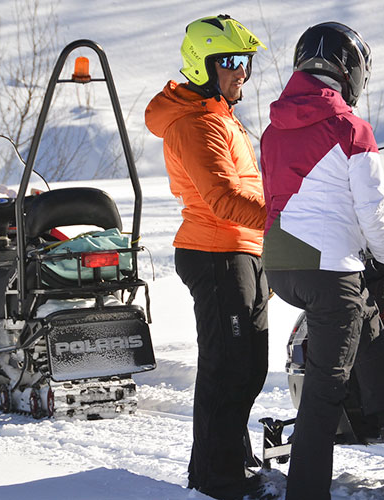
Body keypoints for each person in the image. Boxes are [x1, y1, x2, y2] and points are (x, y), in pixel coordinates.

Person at [259, 22, 384, 500]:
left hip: (282, 264)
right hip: (326, 270)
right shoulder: (352, 130)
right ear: (350, 72)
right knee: (326, 391)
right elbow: (374, 216)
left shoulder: (271, 130)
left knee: (360, 310)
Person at [144, 14, 272, 500]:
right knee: (229, 367)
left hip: (238, 250)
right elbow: (222, 199)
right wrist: (284, 222)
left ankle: (228, 465)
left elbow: (246, 191)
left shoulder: (218, 116)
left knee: (246, 366)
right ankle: (220, 481)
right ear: (204, 65)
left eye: (247, 63)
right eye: (233, 62)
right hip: (215, 251)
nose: (243, 72)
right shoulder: (197, 124)